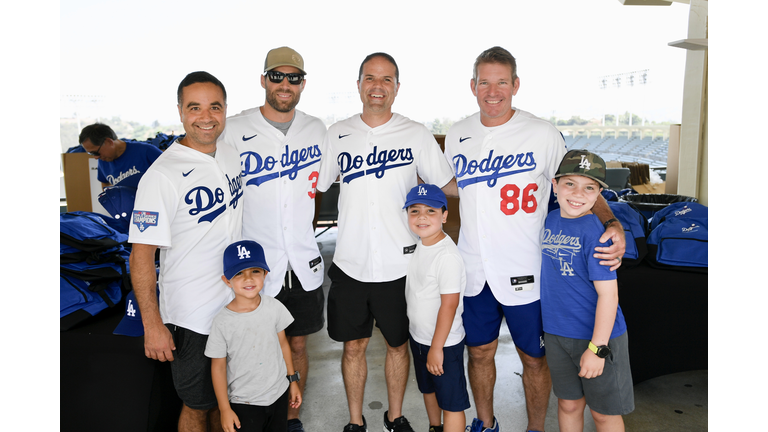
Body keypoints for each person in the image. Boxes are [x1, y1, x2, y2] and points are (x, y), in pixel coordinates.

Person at [442, 46, 626, 432]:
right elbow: (458, 186)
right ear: (472, 85)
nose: (493, 91)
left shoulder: (541, 133)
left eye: (502, 82)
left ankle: (535, 428)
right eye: (485, 82)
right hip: (474, 267)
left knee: (533, 358)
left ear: (516, 85)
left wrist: (614, 224)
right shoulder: (458, 133)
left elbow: (582, 185)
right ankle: (485, 423)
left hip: (527, 267)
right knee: (478, 353)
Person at [315, 52, 456, 432]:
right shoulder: (337, 132)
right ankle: (356, 422)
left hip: (401, 264)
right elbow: (315, 184)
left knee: (398, 346)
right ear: (359, 83)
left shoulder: (415, 133)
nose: (378, 86)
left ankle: (395, 417)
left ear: (396, 87)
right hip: (350, 262)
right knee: (353, 346)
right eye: (370, 78)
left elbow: (445, 184)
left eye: (387, 79)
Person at [217, 46, 325, 432]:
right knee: (247, 349)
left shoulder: (316, 129)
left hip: (302, 261)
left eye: (293, 77)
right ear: (263, 80)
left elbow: (323, 183)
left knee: (298, 344)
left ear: (302, 83)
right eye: (276, 76)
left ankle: (290, 420)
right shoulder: (233, 127)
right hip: (253, 264)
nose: (284, 83)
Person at [128, 71, 243, 432]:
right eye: (195, 108)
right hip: (192, 316)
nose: (206, 117)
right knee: (197, 405)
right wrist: (152, 324)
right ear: (180, 111)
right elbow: (141, 254)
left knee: (224, 401)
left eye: (215, 107)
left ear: (225, 110)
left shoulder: (229, 153)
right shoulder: (161, 176)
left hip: (234, 305)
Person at [541, 150, 634, 431]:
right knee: (568, 404)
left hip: (597, 337)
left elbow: (609, 295)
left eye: (589, 187)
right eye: (570, 183)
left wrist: (597, 349)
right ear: (555, 185)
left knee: (603, 413)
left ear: (599, 196)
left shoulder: (600, 235)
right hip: (557, 333)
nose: (578, 193)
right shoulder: (549, 220)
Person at [206, 240, 303, 432]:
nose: (248, 279)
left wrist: (292, 381)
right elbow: (218, 367)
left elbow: (283, 344)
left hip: (278, 394)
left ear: (265, 274)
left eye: (255, 271)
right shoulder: (222, 321)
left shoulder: (274, 307)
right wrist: (224, 409)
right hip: (244, 403)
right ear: (227, 280)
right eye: (239, 273)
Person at [403, 184, 469, 432]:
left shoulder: (447, 256)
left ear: (444, 215)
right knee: (428, 389)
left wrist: (437, 348)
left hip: (443, 344)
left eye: (430, 211)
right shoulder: (423, 244)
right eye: (414, 211)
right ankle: (435, 427)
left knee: (451, 403)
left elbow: (449, 305)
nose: (421, 217)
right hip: (420, 337)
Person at [79, 123, 163, 189]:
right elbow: (104, 182)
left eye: (95, 153)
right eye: (91, 154)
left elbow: (173, 173)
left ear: (109, 142)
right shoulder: (103, 160)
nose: (96, 157)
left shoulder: (147, 151)